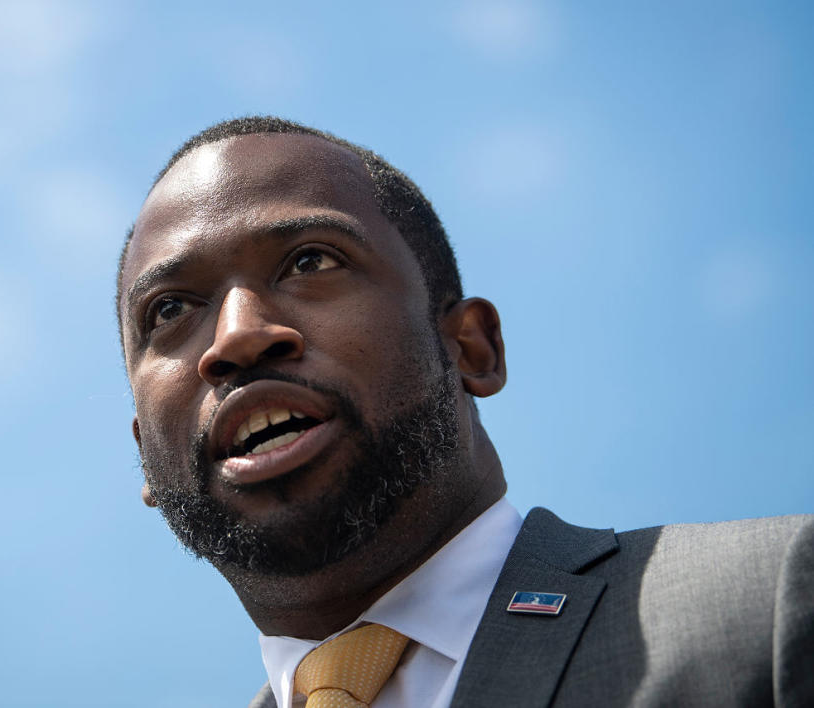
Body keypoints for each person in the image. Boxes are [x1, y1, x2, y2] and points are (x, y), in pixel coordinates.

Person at [116, 116, 813, 708]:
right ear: (145, 454)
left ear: (470, 348)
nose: (237, 336)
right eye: (169, 310)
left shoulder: (769, 597)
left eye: (309, 262)